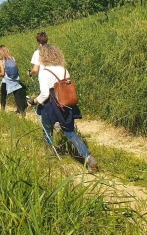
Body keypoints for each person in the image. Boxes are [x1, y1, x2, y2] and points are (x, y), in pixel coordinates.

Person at [27, 44, 98, 173]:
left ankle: (50, 156)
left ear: (44, 57)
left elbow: (45, 94)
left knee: (47, 131)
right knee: (70, 133)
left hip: (50, 105)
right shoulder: (64, 69)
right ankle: (88, 158)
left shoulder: (44, 72)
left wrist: (33, 101)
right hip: (65, 104)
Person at [0, 45, 27, 115]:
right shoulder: (13, 58)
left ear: (0, 53)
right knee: (17, 96)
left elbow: (3, 73)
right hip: (15, 80)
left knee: (3, 96)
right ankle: (21, 111)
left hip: (6, 81)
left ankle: (2, 111)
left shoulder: (1, 61)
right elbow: (16, 69)